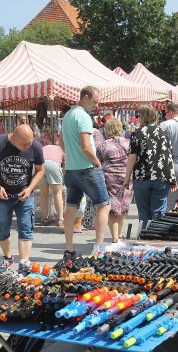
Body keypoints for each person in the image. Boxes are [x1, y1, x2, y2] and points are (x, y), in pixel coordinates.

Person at [0, 124, 45, 273]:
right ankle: (8, 257)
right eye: (24, 144)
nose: (28, 146)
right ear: (13, 138)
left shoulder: (34, 146)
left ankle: (24, 262)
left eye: (30, 142)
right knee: (1, 230)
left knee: (26, 228)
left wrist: (30, 188)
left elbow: (41, 170)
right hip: (3, 195)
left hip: (25, 194)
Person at [60, 86, 111, 260]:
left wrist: (71, 156)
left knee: (72, 207)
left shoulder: (67, 115)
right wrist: (97, 162)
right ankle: (98, 247)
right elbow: (86, 147)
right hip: (86, 168)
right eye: (95, 101)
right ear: (86, 97)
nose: (96, 105)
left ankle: (69, 249)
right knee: (104, 205)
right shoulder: (82, 116)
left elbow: (61, 141)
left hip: (72, 168)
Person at [123, 104, 176, 231]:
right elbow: (169, 157)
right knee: (159, 211)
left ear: (144, 116)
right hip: (161, 176)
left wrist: (126, 179)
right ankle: (157, 237)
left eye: (138, 116)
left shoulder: (136, 133)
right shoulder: (164, 133)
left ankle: (144, 235)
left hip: (142, 177)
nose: (137, 118)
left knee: (144, 212)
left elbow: (132, 158)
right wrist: (173, 178)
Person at [96, 118, 133, 243]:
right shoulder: (129, 142)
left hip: (109, 179)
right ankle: (119, 236)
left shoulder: (104, 145)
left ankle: (115, 238)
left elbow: (98, 162)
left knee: (112, 209)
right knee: (122, 208)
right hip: (127, 178)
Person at [39, 139, 65, 227]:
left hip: (40, 165)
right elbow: (64, 167)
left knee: (43, 194)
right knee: (57, 193)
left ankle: (45, 218)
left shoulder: (45, 147)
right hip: (53, 165)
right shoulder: (61, 149)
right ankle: (60, 219)